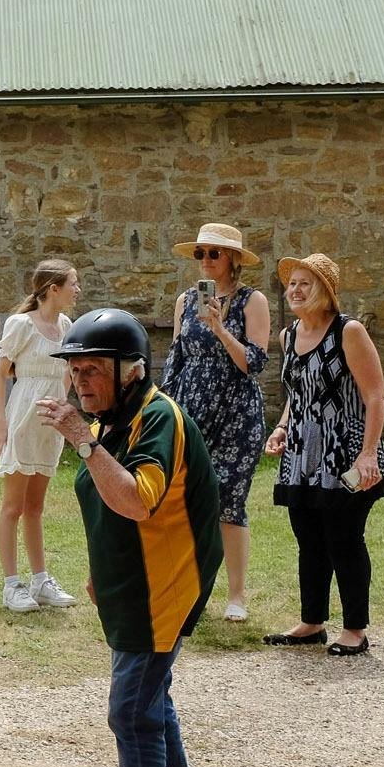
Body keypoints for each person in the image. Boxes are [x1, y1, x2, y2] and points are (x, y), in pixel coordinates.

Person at [36, 308, 223, 767]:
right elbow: (108, 506)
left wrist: (80, 440)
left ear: (131, 370)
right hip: (135, 578)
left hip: (163, 581)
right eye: (76, 371)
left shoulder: (155, 417)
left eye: (94, 371)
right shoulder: (115, 417)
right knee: (152, 704)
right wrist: (103, 572)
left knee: (131, 709)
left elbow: (139, 499)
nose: (81, 382)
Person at [262, 253, 384, 656]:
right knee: (309, 540)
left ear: (325, 292)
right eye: (292, 283)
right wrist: (282, 427)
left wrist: (368, 454)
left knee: (344, 539)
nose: (295, 290)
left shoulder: (347, 331)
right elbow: (297, 395)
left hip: (346, 452)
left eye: (305, 283)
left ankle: (355, 629)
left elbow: (375, 395)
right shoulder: (288, 335)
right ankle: (312, 622)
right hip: (301, 453)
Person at [162, 222, 271, 622]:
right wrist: (165, 408)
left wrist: (220, 328)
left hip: (236, 414)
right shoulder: (185, 301)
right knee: (187, 501)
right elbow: (176, 358)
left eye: (214, 253)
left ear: (234, 260)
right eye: (200, 253)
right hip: (191, 410)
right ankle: (192, 588)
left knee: (229, 503)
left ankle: (237, 595)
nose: (205, 261)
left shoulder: (251, 301)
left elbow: (253, 363)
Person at [0, 259, 82, 612]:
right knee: (13, 505)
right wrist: (1, 423)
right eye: (73, 283)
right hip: (23, 418)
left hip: (50, 424)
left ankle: (41, 581)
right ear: (53, 289)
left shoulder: (68, 325)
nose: (78, 289)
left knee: (36, 507)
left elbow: (68, 374)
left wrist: (64, 406)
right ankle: (12, 585)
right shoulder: (21, 325)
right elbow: (0, 376)